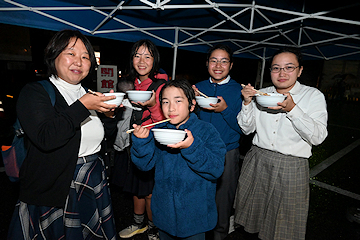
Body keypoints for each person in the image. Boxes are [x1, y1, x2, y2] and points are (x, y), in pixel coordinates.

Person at [7, 29, 118, 239]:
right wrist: (82, 107)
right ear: (54, 55)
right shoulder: (35, 92)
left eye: (86, 56)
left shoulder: (90, 94)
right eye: (71, 53)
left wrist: (110, 117)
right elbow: (46, 138)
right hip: (55, 188)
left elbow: (100, 138)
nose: (79, 61)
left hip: (92, 179)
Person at [234, 47, 328, 240]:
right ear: (270, 71)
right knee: (253, 219)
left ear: (300, 70)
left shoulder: (313, 96)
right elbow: (247, 128)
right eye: (276, 68)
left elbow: (318, 137)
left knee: (283, 226)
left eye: (289, 67)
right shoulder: (263, 93)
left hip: (291, 165)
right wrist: (246, 102)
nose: (282, 73)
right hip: (258, 160)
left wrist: (292, 109)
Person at [130, 78, 226, 239]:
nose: (171, 108)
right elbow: (144, 165)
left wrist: (191, 147)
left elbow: (216, 169)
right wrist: (141, 142)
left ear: (192, 105)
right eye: (165, 102)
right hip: (164, 214)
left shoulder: (206, 130)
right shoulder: (159, 130)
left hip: (196, 218)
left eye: (178, 101)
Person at [117, 39, 167, 240]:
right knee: (137, 188)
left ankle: (154, 228)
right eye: (137, 55)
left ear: (154, 60)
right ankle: (138, 224)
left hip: (154, 146)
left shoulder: (161, 86)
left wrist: (154, 105)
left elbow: (165, 122)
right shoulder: (134, 84)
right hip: (135, 143)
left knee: (150, 192)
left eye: (147, 56)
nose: (142, 60)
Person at [192, 44, 243, 240]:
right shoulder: (199, 87)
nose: (218, 65)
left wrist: (225, 109)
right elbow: (191, 120)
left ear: (231, 65)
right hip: (199, 150)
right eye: (214, 60)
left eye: (224, 61)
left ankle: (220, 236)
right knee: (198, 198)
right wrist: (193, 104)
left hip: (227, 153)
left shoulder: (238, 91)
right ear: (207, 64)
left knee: (223, 201)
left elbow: (243, 128)